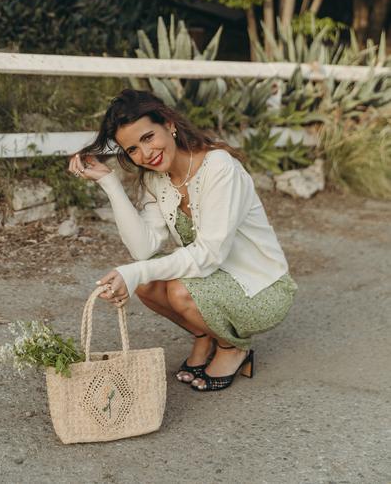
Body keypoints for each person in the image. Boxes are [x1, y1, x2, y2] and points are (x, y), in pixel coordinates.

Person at [68, 89, 297, 392]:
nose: (145, 154)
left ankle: (233, 348)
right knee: (146, 282)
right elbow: (143, 248)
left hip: (262, 287)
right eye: (133, 149)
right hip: (216, 280)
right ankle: (205, 336)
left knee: (176, 289)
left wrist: (132, 272)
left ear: (169, 124)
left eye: (148, 137)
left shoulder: (219, 167)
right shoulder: (155, 179)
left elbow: (209, 255)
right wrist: (109, 183)